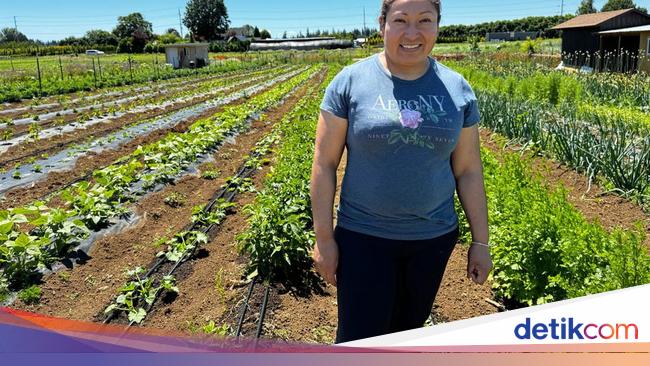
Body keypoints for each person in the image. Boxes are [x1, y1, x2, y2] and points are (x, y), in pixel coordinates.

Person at [310, 0, 493, 343]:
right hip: (364, 238)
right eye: (400, 20)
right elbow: (324, 163)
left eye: (425, 20)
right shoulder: (350, 82)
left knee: (407, 332)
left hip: (432, 240)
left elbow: (468, 170)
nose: (412, 33)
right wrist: (324, 239)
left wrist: (480, 241)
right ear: (382, 25)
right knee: (359, 338)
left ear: (438, 25)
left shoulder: (457, 89)